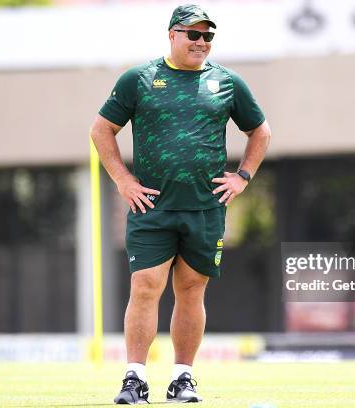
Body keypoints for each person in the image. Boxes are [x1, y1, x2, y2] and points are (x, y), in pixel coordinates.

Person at [90, 4, 271, 405]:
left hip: (205, 209)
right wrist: (123, 179)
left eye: (208, 36)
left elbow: (260, 131)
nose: (202, 42)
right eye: (194, 34)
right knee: (145, 286)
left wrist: (242, 178)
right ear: (172, 35)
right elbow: (102, 129)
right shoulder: (139, 79)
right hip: (151, 207)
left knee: (191, 290)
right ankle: (134, 378)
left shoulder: (227, 82)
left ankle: (183, 379)